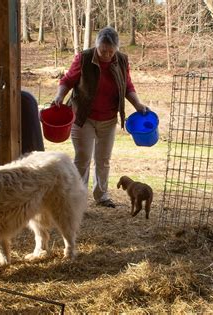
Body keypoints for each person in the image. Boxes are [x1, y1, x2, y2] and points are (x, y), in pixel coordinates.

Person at [53, 26, 149, 208]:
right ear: (96, 46)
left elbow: (127, 86)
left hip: (109, 118)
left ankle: (102, 196)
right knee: (83, 157)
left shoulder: (121, 60)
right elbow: (67, 81)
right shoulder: (84, 58)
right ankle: (77, 197)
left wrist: (138, 104)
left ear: (117, 49)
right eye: (103, 50)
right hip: (83, 116)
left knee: (103, 159)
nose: (106, 55)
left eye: (111, 51)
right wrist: (59, 96)